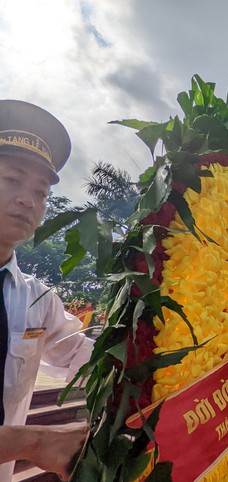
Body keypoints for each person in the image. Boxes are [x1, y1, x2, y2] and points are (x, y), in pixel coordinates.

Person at [0, 99, 94, 479]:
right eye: (11, 180)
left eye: (41, 193)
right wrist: (33, 443)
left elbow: (85, 356)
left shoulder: (36, 300)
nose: (27, 200)